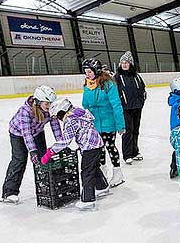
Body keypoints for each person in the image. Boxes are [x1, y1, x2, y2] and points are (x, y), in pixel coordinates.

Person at [41, 98, 109, 210]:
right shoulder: (78, 111)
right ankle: (102, 186)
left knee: (86, 172)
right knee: (93, 167)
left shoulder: (70, 120)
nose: (60, 119)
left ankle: (88, 200)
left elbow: (65, 141)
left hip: (90, 147)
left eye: (58, 116)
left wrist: (51, 151)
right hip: (97, 143)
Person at [0, 85, 61, 204]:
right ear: (38, 102)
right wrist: (32, 151)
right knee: (20, 159)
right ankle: (9, 192)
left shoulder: (49, 110)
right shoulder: (25, 111)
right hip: (18, 133)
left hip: (37, 132)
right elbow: (26, 133)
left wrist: (61, 144)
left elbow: (55, 126)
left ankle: (46, 187)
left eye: (50, 103)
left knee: (43, 158)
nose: (49, 106)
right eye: (46, 103)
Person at [82, 58, 126, 188]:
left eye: (89, 71)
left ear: (96, 70)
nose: (87, 74)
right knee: (99, 148)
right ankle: (102, 172)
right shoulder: (88, 85)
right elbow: (85, 104)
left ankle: (118, 173)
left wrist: (120, 124)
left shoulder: (108, 84)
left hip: (108, 122)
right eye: (85, 72)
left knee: (109, 146)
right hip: (95, 123)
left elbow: (116, 104)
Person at [114, 51, 147, 164]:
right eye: (122, 62)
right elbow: (114, 92)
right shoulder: (117, 77)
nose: (124, 64)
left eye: (126, 62)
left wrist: (142, 100)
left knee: (135, 130)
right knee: (127, 131)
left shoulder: (136, 76)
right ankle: (127, 154)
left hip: (137, 107)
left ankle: (135, 151)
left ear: (131, 64)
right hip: (125, 108)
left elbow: (142, 89)